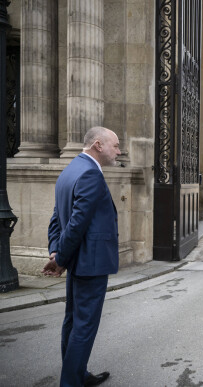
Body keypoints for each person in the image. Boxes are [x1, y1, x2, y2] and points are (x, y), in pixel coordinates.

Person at [43, 126, 121, 386]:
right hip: (90, 263)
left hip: (78, 261)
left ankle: (78, 374)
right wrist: (60, 259)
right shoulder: (90, 173)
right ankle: (71, 382)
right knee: (84, 326)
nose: (119, 152)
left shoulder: (70, 170)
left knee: (73, 322)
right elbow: (76, 224)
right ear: (98, 145)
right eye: (116, 146)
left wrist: (56, 250)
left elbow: (56, 220)